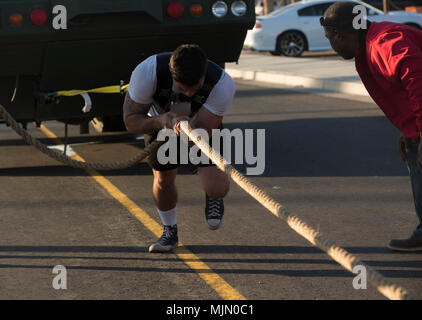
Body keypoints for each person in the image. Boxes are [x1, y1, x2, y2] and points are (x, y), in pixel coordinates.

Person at [320, 1, 422, 251]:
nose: (330, 45)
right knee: (415, 161)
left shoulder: (387, 43)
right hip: (416, 125)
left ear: (339, 35)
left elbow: (419, 83)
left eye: (328, 37)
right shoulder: (369, 44)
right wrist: (409, 129)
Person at [123, 44, 235, 253]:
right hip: (160, 121)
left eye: (195, 86)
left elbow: (200, 133)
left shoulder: (222, 83)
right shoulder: (147, 73)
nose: (190, 92)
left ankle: (213, 197)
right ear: (172, 74)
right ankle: (169, 231)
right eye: (183, 87)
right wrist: (162, 121)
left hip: (201, 126)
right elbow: (131, 121)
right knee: (163, 181)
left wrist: (186, 127)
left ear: (203, 75)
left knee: (216, 188)